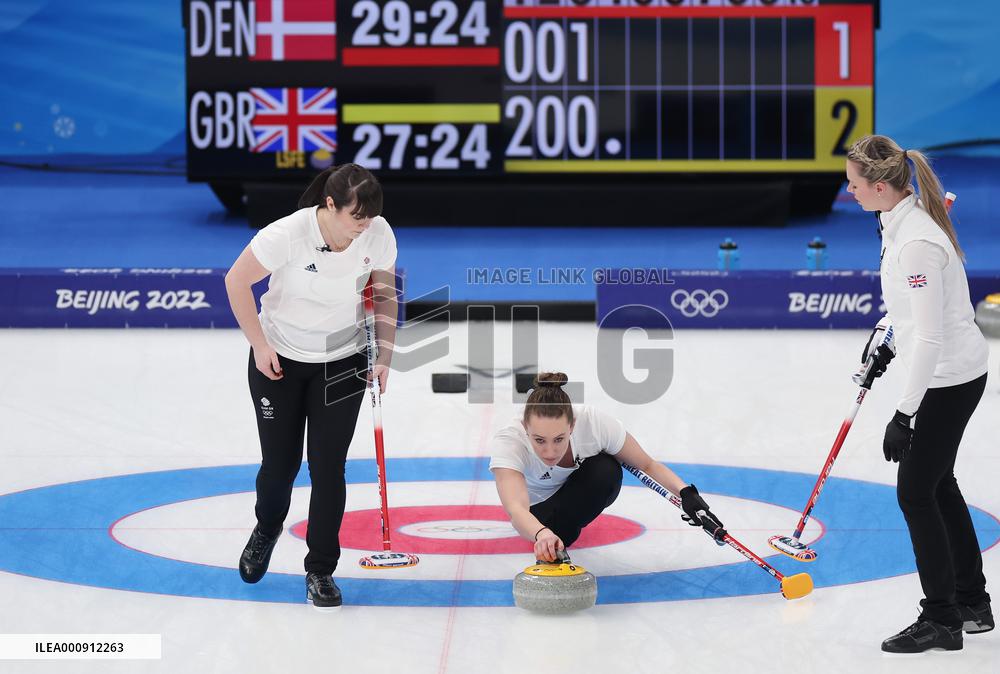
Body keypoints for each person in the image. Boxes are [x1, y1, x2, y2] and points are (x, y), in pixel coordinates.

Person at [224, 164, 398, 609]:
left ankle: (320, 569)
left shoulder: (377, 233)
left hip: (342, 362)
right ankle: (267, 527)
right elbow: (236, 281)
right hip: (279, 357)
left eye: (371, 217)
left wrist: (384, 355)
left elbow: (383, 294)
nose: (364, 227)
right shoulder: (286, 234)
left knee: (328, 469)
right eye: (356, 217)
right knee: (279, 466)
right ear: (330, 205)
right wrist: (259, 345)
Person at [846, 135, 992, 652]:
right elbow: (914, 314)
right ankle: (972, 601)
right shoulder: (897, 223)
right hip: (945, 371)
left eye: (855, 184)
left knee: (915, 492)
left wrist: (904, 414)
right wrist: (888, 335)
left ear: (881, 186)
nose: (850, 191)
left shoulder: (917, 243)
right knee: (937, 483)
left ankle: (942, 618)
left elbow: (931, 335)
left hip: (948, 380)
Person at [490, 372, 726, 565]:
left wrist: (687, 494)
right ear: (525, 427)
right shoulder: (509, 441)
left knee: (606, 470)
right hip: (538, 513)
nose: (550, 451)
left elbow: (646, 464)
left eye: (559, 439)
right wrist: (541, 533)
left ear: (572, 425)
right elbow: (516, 509)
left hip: (576, 493)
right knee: (557, 531)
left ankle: (562, 531)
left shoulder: (593, 423)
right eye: (539, 440)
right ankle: (556, 534)